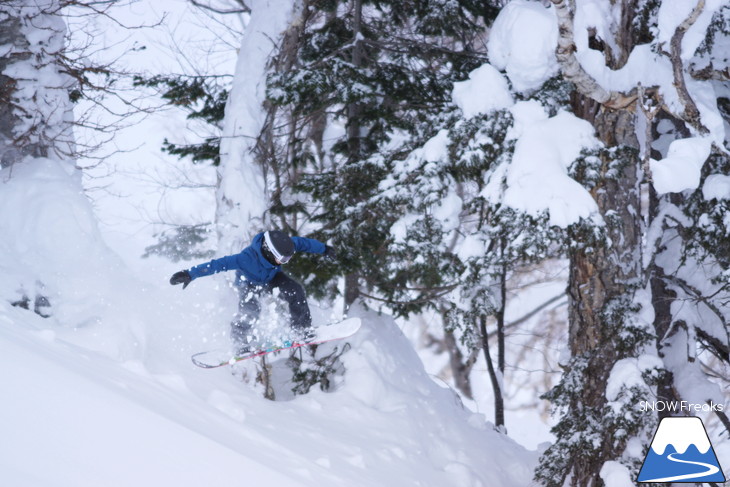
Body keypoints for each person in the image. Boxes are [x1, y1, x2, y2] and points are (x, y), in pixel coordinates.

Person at [169, 230, 335, 351]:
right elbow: (217, 265)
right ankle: (240, 342)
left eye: (288, 258)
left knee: (295, 290)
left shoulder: (286, 245)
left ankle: (301, 329)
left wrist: (324, 249)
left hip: (271, 278)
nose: (285, 261)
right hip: (248, 283)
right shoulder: (244, 259)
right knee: (251, 311)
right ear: (269, 252)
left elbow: (304, 244)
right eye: (283, 258)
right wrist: (190, 274)